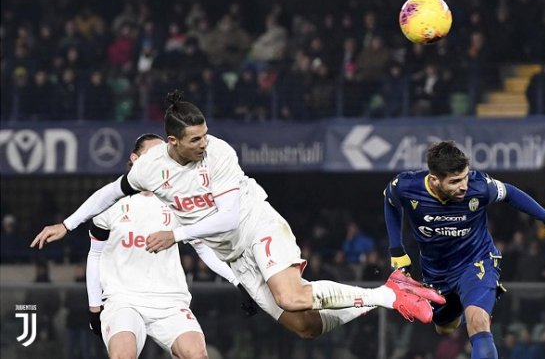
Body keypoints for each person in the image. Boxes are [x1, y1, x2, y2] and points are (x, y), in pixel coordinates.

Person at [31, 91, 445, 340]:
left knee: (291, 296)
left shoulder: (221, 153)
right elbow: (110, 191)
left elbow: (227, 219)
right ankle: (387, 293)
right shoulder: (149, 168)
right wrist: (67, 224)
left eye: (206, 134)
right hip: (235, 257)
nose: (203, 142)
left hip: (254, 225)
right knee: (307, 327)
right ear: (172, 142)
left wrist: (177, 235)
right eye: (195, 139)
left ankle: (391, 295)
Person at [383, 140, 545, 359]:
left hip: (477, 261)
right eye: (455, 181)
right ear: (434, 180)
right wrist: (396, 249)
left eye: (465, 176)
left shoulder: (480, 186)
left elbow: (510, 193)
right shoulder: (407, 186)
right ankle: (456, 306)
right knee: (444, 328)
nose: (463, 185)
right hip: (437, 272)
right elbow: (390, 201)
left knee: (478, 321)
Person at [83, 133, 236, 359]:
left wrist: (237, 280)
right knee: (122, 355)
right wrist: (94, 308)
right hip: (123, 300)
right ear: (134, 159)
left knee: (196, 354)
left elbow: (203, 249)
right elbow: (94, 255)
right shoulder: (110, 202)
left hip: (169, 301)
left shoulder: (179, 201)